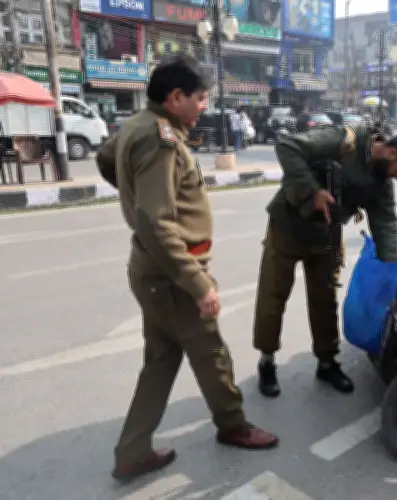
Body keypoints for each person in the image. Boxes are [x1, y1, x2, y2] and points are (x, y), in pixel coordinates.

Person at [96, 55, 279, 483]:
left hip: (153, 270)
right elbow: (156, 221)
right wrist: (197, 283)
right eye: (200, 98)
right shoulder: (161, 139)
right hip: (173, 274)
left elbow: (108, 160)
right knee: (212, 354)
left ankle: (132, 452)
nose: (204, 107)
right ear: (175, 97)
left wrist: (134, 192)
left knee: (161, 360)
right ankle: (233, 426)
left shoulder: (138, 125)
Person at [252, 122, 397, 398]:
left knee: (325, 299)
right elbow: (287, 147)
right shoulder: (345, 140)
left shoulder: (380, 183)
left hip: (326, 234)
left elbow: (384, 225)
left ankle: (327, 362)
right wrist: (313, 191)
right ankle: (267, 361)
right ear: (391, 153)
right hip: (288, 226)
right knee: (273, 296)